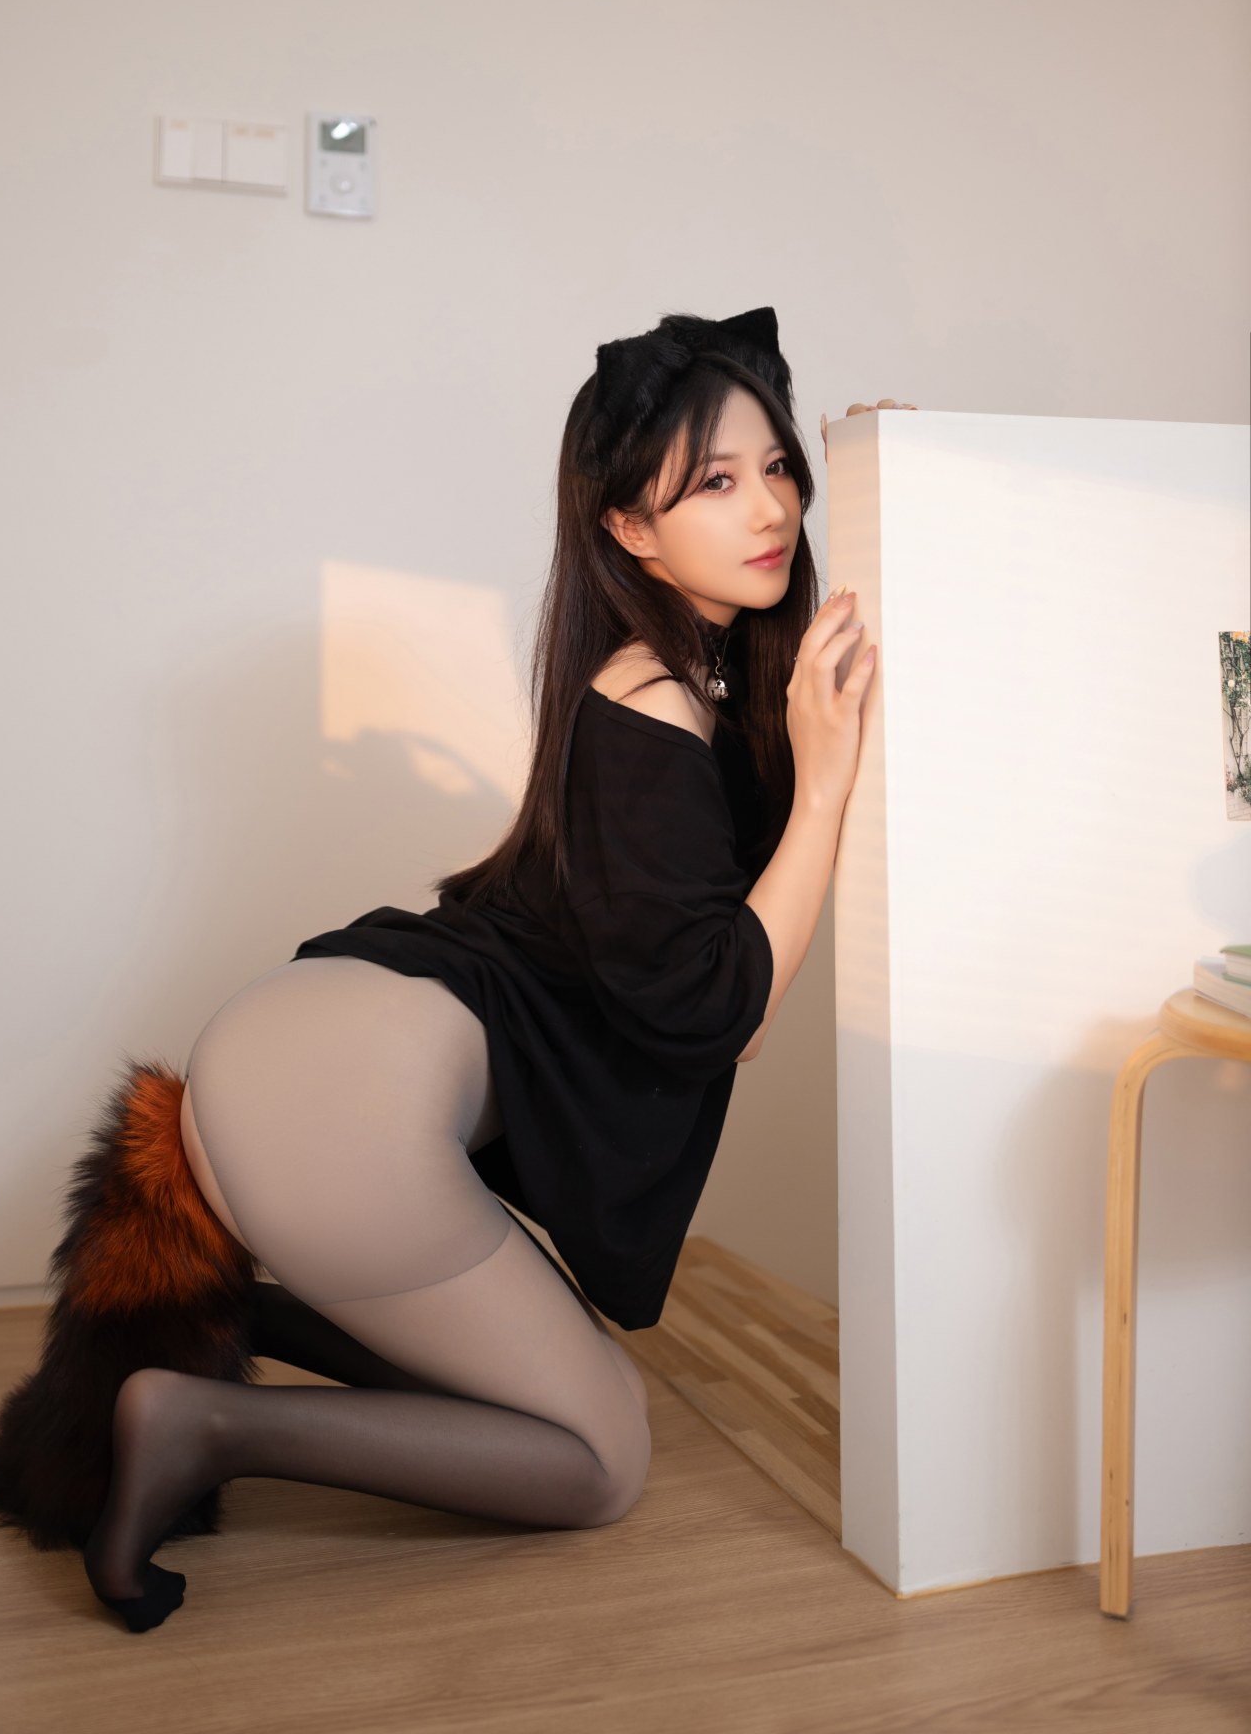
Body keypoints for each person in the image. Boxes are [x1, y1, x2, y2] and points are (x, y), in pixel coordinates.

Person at [79, 306, 892, 1630]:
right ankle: (203, 1426)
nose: (771, 510)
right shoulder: (653, 703)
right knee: (599, 1459)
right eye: (714, 482)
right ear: (629, 528)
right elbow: (722, 1014)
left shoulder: (669, 684)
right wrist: (827, 788)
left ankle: (257, 1316)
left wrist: (900, 489)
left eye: (780, 468)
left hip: (295, 1059)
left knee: (560, 1386)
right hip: (340, 1111)